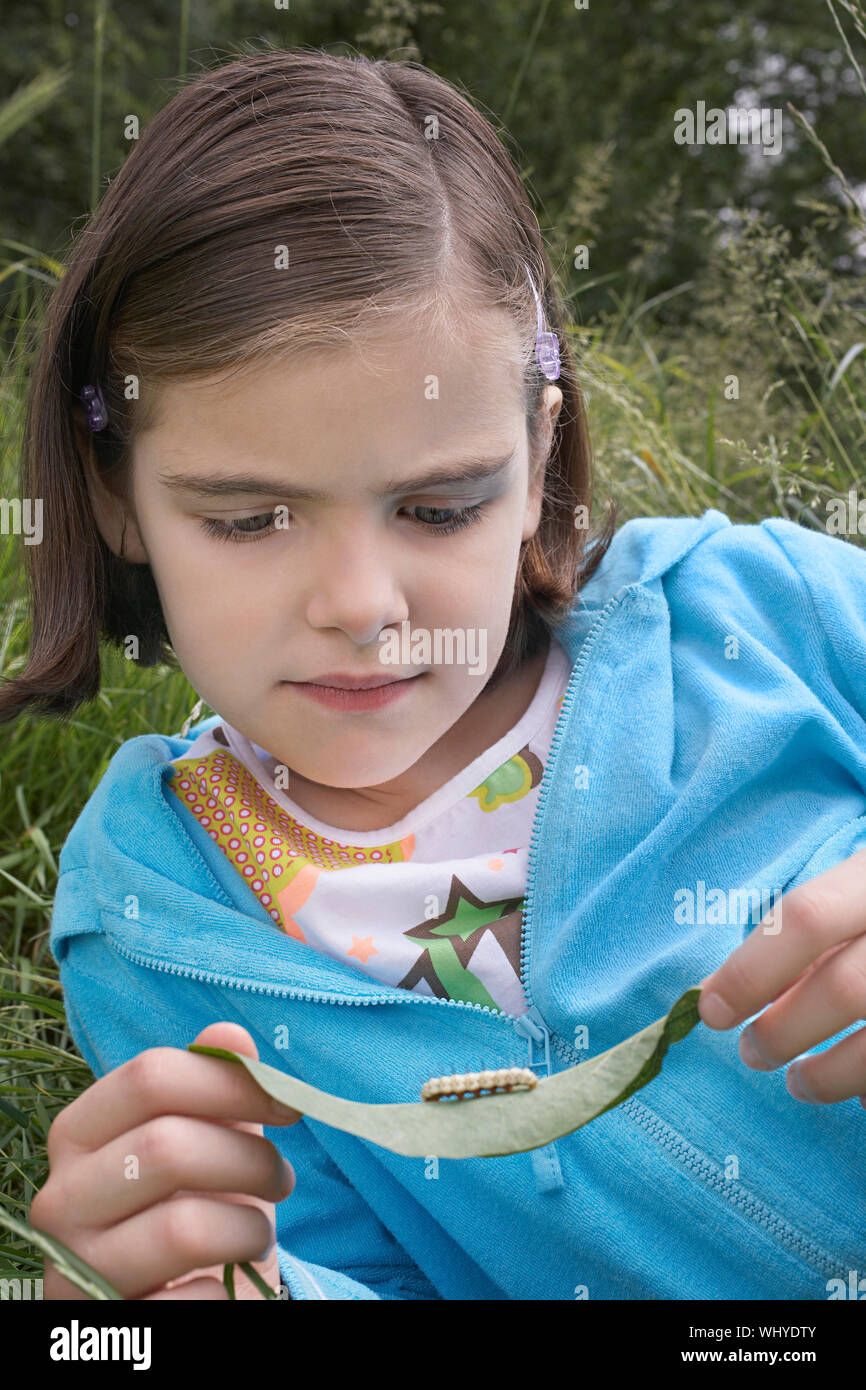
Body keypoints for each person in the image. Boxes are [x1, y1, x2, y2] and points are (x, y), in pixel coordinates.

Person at [6, 47, 866, 1302]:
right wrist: (224, 1297)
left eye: (438, 505)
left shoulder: (766, 613)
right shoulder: (153, 920)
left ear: (537, 451)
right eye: (247, 520)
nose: (360, 607)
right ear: (114, 496)